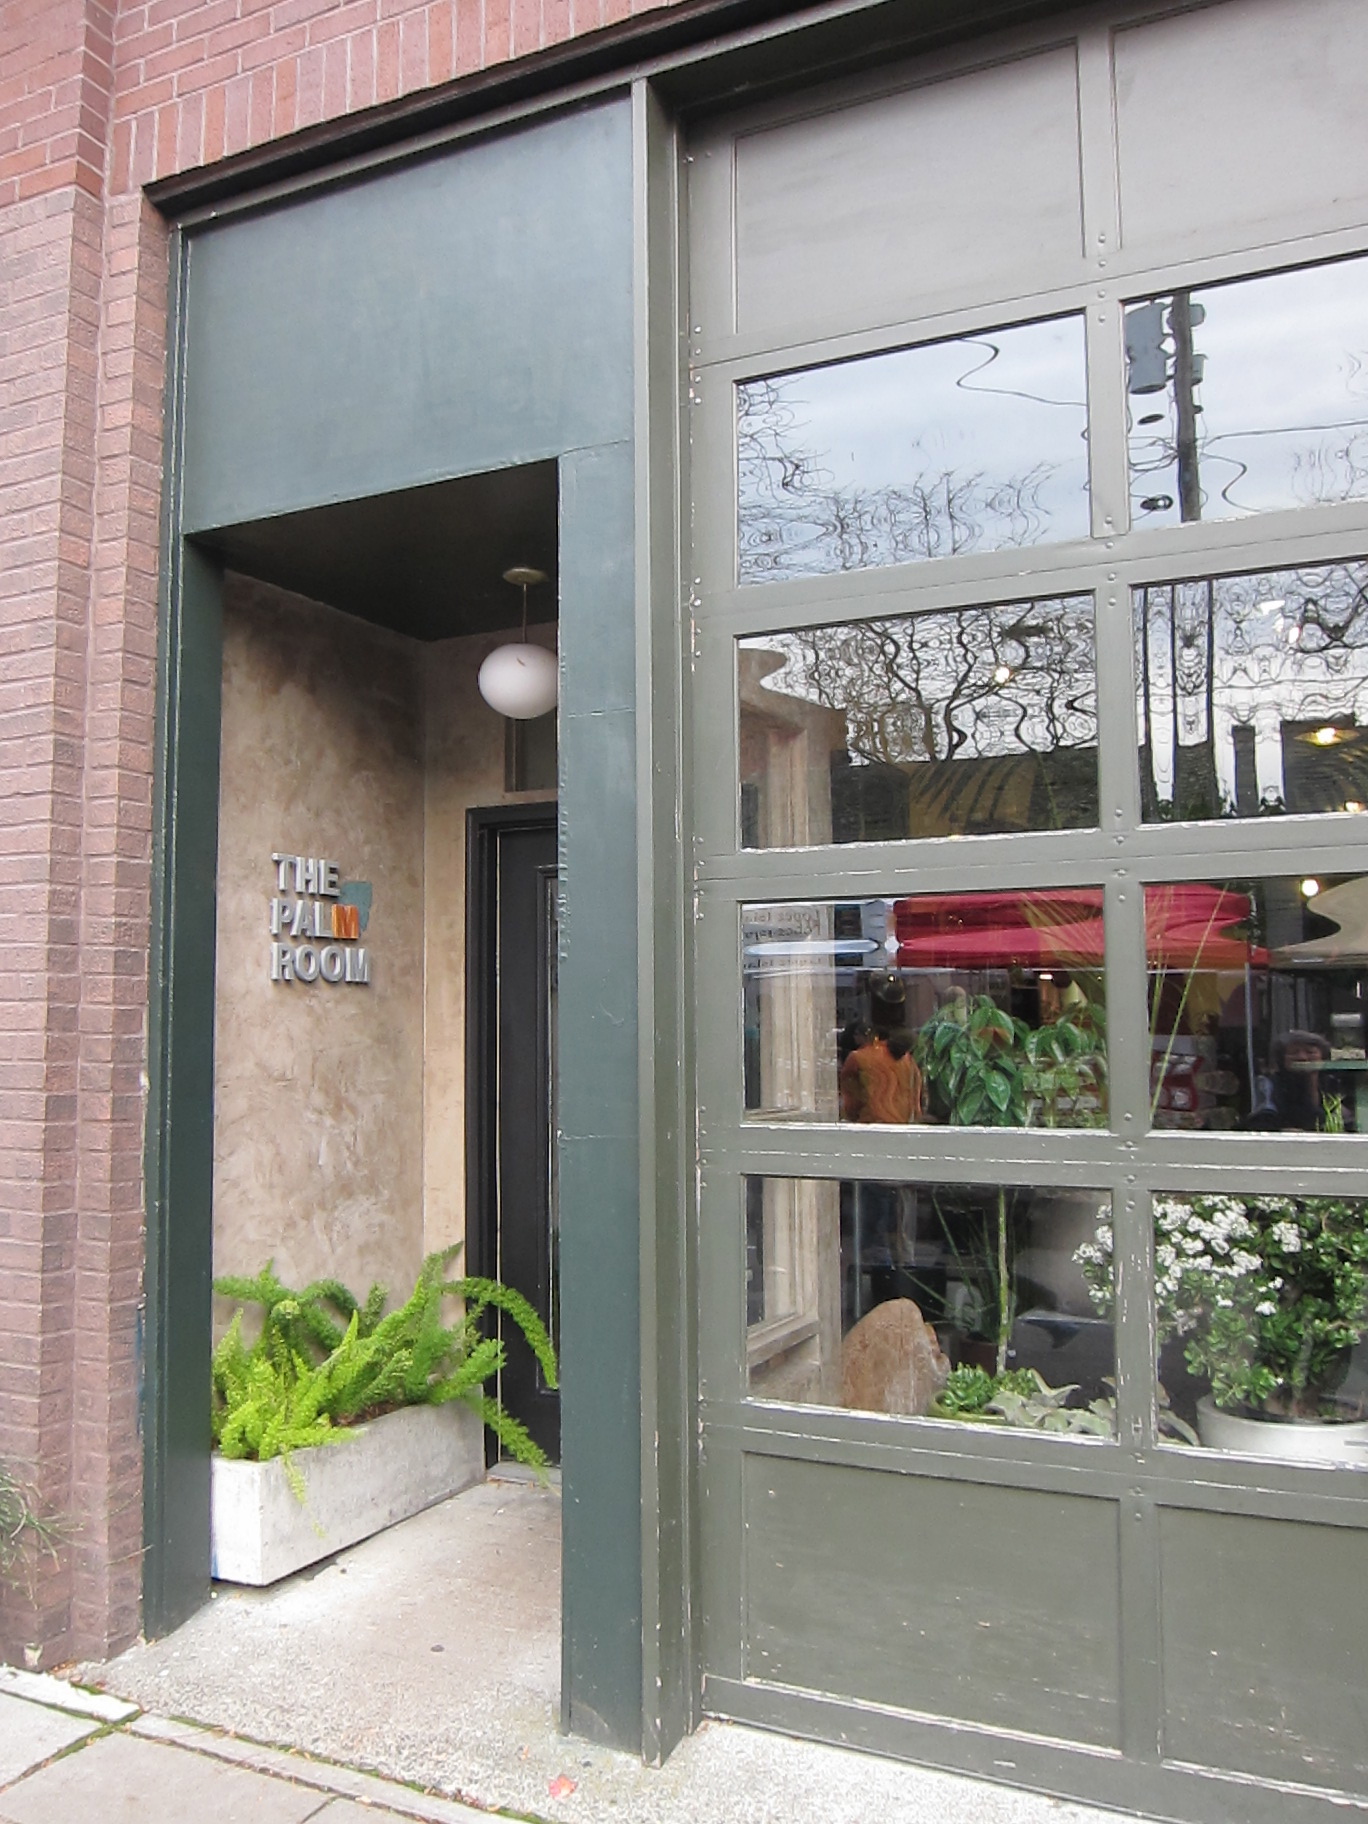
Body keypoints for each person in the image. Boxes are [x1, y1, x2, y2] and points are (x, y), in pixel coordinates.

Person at [1241, 1029, 1333, 1131]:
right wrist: (1281, 1130)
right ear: (1282, 1059)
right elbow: (1260, 1119)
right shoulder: (1269, 1084)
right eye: (1294, 1052)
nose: (1302, 1057)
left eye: (1310, 1052)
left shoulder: (1332, 1083)